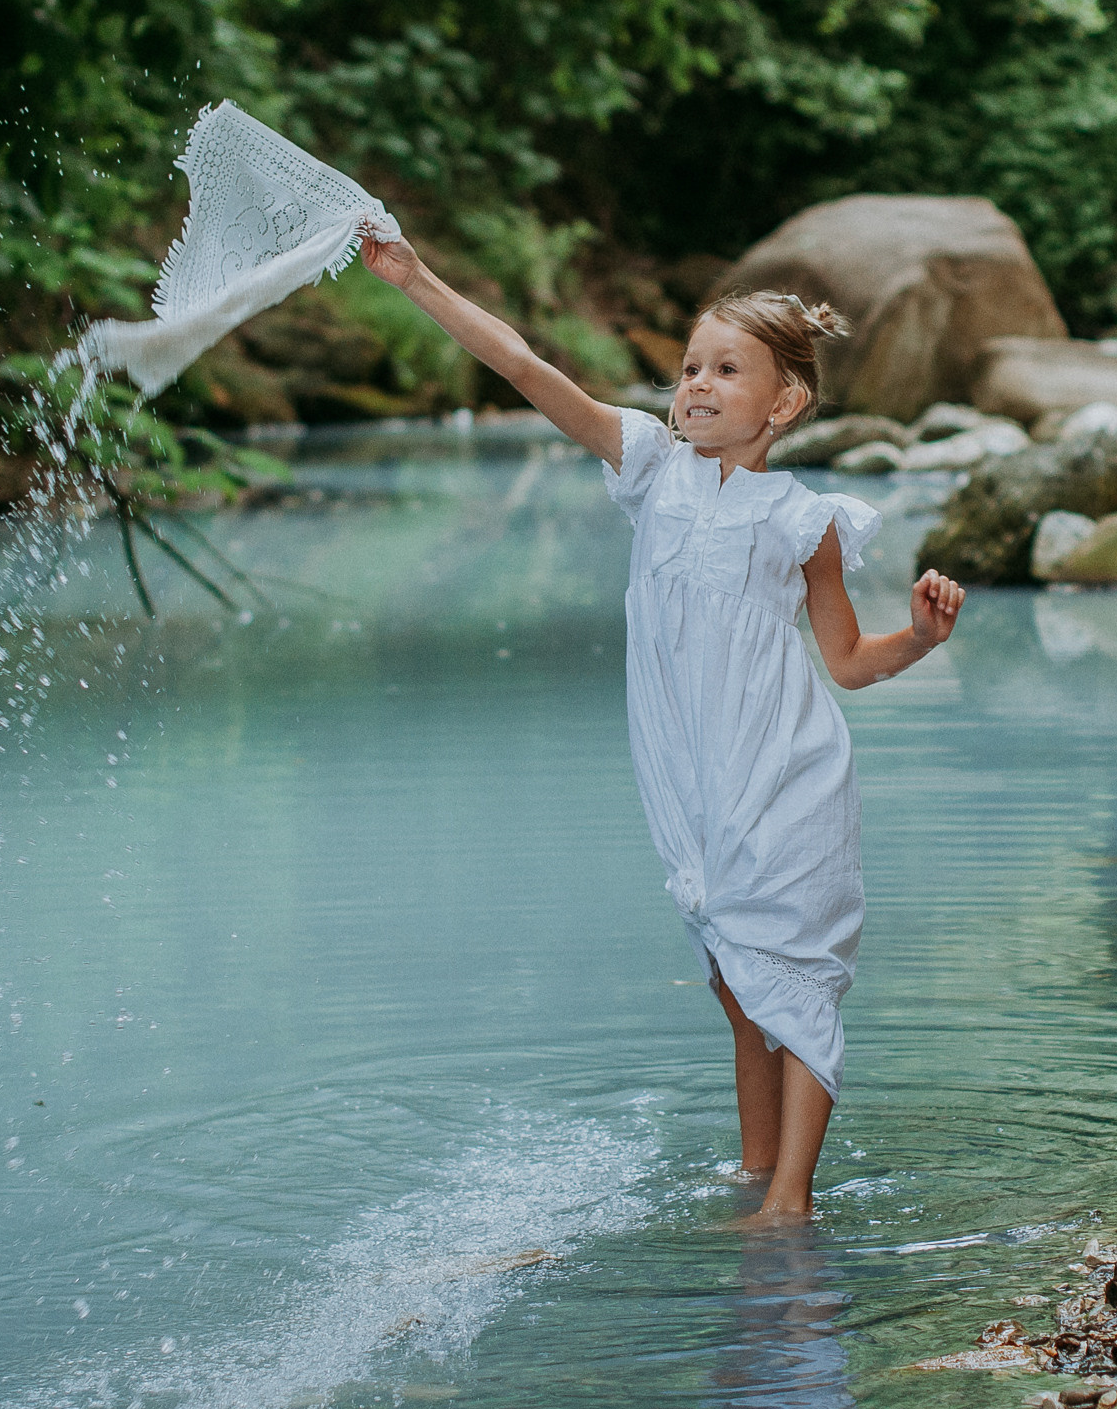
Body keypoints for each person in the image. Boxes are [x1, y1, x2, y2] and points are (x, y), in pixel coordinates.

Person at [360, 228, 966, 1224]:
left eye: (726, 369)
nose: (695, 384)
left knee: (796, 981)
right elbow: (521, 364)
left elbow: (851, 664)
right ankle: (752, 1167)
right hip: (699, 792)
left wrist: (925, 638)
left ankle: (790, 1201)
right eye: (689, 366)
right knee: (738, 987)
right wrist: (418, 278)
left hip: (787, 778)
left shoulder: (801, 520)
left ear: (783, 403)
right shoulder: (650, 469)